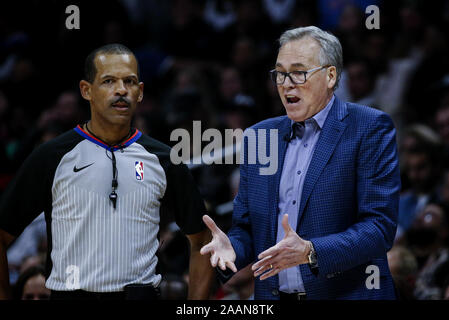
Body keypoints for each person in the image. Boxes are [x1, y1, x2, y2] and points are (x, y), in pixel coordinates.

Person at [200, 26, 401, 300]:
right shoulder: (260, 136)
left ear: (330, 76)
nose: (286, 83)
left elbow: (379, 228)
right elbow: (247, 228)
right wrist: (232, 248)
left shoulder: (368, 127)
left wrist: (311, 251)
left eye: (298, 72)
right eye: (280, 73)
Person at [0, 44, 214, 300]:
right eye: (109, 81)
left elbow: (202, 241)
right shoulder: (52, 157)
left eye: (130, 81)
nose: (121, 90)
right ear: (86, 90)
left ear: (141, 92)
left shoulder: (165, 160)